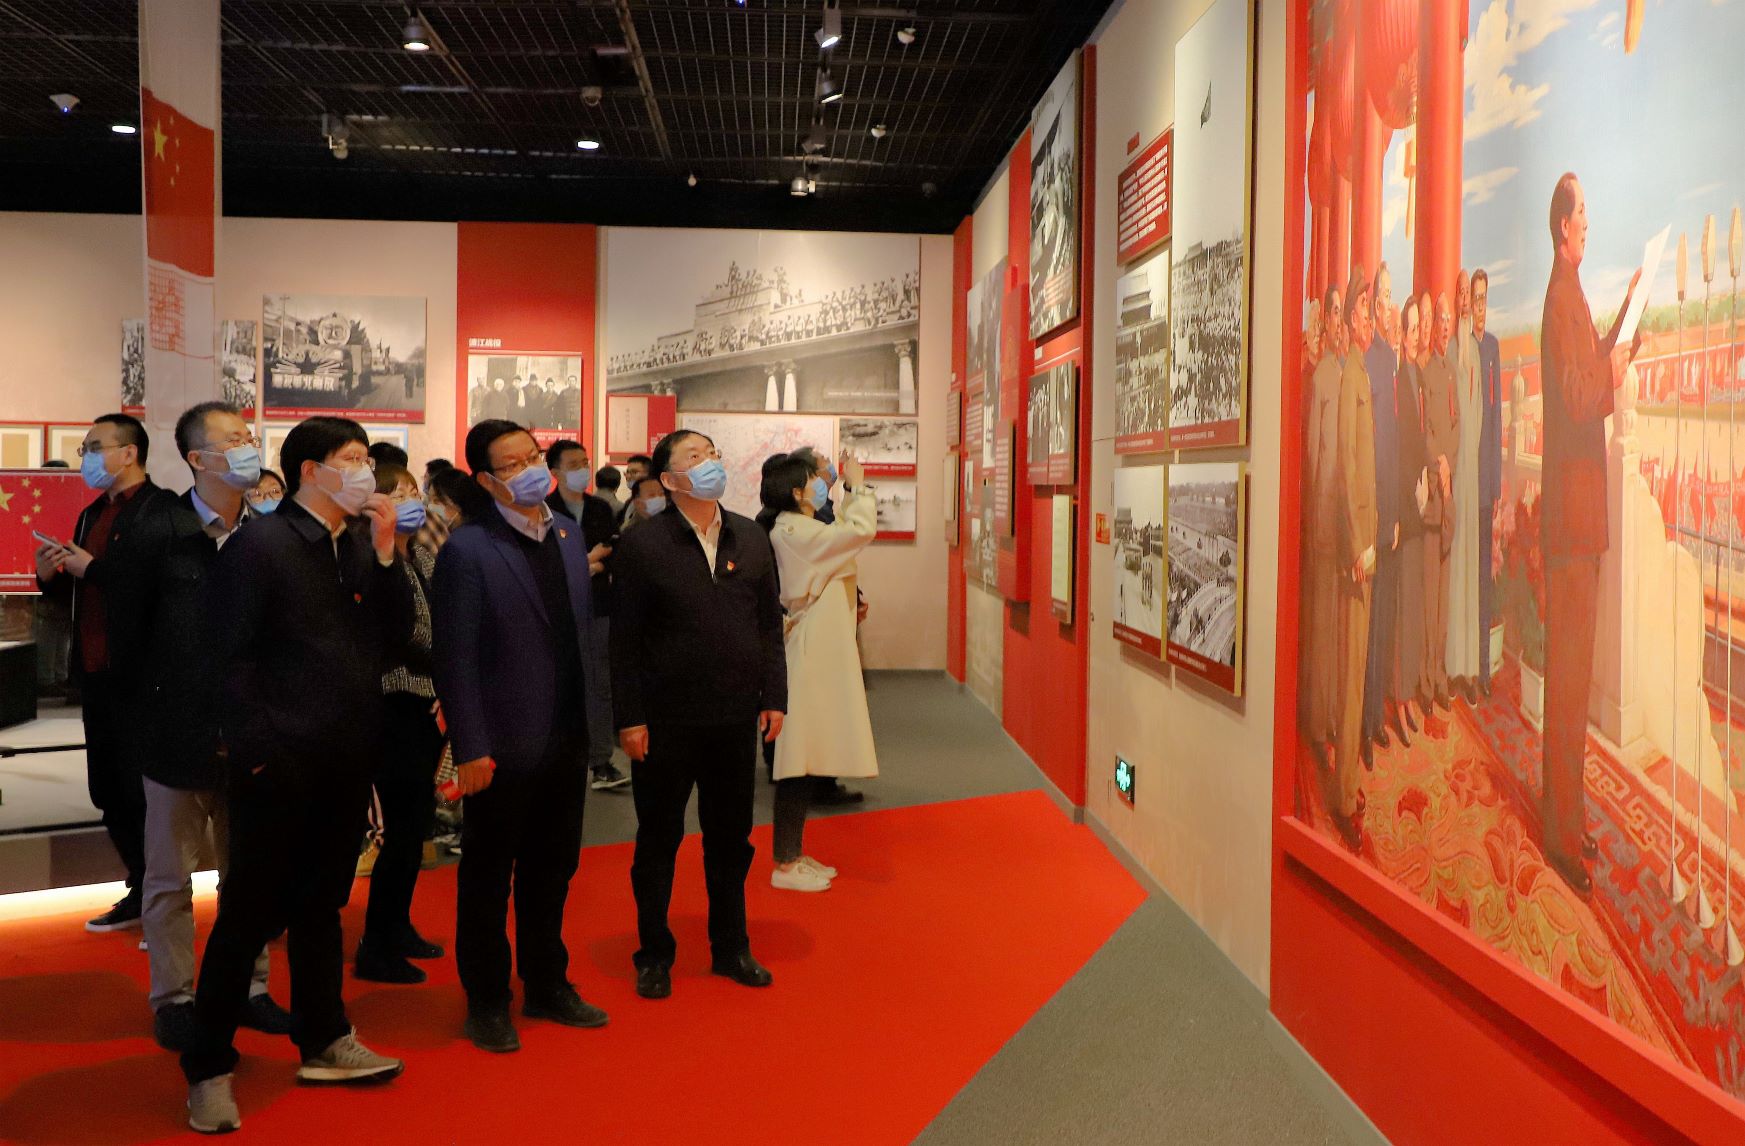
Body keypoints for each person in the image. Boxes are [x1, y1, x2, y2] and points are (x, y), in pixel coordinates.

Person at [178, 416, 410, 1134]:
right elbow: (226, 659)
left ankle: (324, 1037)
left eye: (366, 458)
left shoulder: (354, 545)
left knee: (321, 906)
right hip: (277, 762)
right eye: (352, 458)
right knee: (248, 916)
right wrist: (255, 752)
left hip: (344, 758)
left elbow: (394, 638)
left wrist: (386, 554)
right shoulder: (262, 545)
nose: (365, 472)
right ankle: (208, 1067)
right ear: (311, 470)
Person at [433, 420, 607, 1053]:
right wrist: (471, 747)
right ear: (486, 480)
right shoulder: (468, 549)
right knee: (488, 876)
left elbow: (579, 636)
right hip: (502, 745)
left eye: (533, 456)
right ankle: (486, 1000)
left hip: (566, 734)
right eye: (511, 465)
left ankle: (547, 983)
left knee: (553, 869)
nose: (530, 469)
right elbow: (455, 659)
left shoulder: (566, 533)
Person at [611, 429, 786, 1000]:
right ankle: (654, 954)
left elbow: (768, 626)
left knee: (731, 840)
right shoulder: (644, 545)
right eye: (694, 456)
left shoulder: (750, 536)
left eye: (712, 453)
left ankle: (731, 946)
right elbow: (624, 641)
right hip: (664, 721)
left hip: (733, 717)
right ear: (668, 479)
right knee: (659, 840)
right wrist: (629, 717)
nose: (710, 463)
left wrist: (774, 696)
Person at [142, 403, 291, 1052]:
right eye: (233, 440)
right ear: (198, 459)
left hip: (254, 736)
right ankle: (174, 998)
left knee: (248, 876)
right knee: (169, 880)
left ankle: (249, 988)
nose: (248, 447)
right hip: (175, 734)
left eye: (250, 437)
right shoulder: (161, 533)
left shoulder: (271, 535)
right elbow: (131, 641)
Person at [32, 413, 176, 932]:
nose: (87, 459)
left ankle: (161, 898)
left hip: (143, 676)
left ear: (129, 453)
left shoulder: (163, 512)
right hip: (96, 673)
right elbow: (83, 591)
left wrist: (91, 568)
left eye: (95, 447)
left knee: (145, 792)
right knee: (108, 790)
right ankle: (141, 886)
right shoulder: (91, 513)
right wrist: (50, 576)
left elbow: (154, 588)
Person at [1539, 172, 1640, 898]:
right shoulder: (1556, 299)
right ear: (1563, 227)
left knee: (1573, 688)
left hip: (1580, 522)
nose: (1588, 225)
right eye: (1583, 216)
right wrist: (1610, 368)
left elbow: (1589, 368)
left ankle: (1567, 823)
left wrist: (1625, 323)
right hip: (1571, 526)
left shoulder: (1571, 294)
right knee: (1569, 687)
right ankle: (1560, 839)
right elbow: (1579, 395)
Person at [758, 453, 878, 892]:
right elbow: (858, 532)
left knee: (806, 756)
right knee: (798, 758)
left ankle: (792, 853)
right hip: (808, 652)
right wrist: (858, 487)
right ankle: (785, 863)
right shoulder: (793, 530)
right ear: (796, 492)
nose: (822, 481)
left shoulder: (803, 527)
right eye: (814, 478)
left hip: (819, 648)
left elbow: (843, 538)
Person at [354, 461, 447, 985]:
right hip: (393, 703)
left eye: (415, 491)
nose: (413, 500)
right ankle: (377, 944)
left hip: (428, 702)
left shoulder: (424, 557)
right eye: (399, 493)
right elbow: (396, 635)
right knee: (399, 829)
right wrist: (443, 665)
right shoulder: (373, 560)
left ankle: (397, 926)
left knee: (416, 828)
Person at [544, 440, 628, 793]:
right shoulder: (544, 509)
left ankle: (601, 760)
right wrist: (587, 561)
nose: (583, 469)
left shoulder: (599, 508)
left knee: (599, 684)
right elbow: (549, 562)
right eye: (574, 464)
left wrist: (594, 564)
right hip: (556, 609)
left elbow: (614, 551)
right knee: (557, 682)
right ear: (555, 471)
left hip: (597, 607)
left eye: (585, 462)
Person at [1333, 269, 1377, 851]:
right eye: (1363, 310)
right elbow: (1344, 465)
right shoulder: (1349, 375)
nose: (1369, 318)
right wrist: (1355, 545)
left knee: (1358, 667)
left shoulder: (1362, 370)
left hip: (1366, 540)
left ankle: (1347, 783)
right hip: (1357, 548)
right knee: (1349, 680)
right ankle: (1342, 799)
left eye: (1369, 309)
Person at [1300, 284, 1344, 764]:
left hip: (1341, 520)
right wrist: (1314, 519)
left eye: (1338, 313)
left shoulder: (1344, 370)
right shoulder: (1321, 377)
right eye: (1330, 313)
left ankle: (1329, 713)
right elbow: (1314, 453)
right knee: (1320, 624)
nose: (1335, 321)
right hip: (1322, 518)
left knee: (1334, 625)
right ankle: (1315, 724)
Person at [1362, 265, 1401, 762]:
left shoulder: (1391, 358)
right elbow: (1370, 450)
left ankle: (1377, 715)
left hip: (1391, 510)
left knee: (1385, 620)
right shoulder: (1368, 358)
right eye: (1382, 296)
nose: (1387, 305)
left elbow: (1393, 443)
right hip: (1371, 510)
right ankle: (1364, 726)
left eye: (1391, 296)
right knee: (1368, 630)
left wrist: (1394, 515)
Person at [1444, 290, 1485, 699]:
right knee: (1454, 571)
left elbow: (1480, 414)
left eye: (1469, 298)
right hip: (1454, 473)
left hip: (1471, 477)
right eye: (1461, 297)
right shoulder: (1450, 351)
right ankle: (1452, 667)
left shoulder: (1474, 349)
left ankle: (1470, 669)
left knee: (1471, 570)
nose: (1466, 305)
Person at [1420, 292, 1458, 716]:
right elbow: (1426, 431)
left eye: (1447, 320)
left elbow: (1456, 426)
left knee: (1444, 599)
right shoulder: (1427, 372)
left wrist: (1452, 465)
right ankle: (1427, 682)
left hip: (1450, 496)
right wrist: (1441, 464)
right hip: (1433, 498)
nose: (1444, 326)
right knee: (1430, 598)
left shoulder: (1451, 373)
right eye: (1439, 320)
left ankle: (1441, 676)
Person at [1473, 270, 1504, 697]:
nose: (1479, 308)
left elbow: (1496, 419)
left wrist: (1495, 485)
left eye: (1483, 300)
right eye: (1474, 300)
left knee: (1483, 582)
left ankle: (1482, 669)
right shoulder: (1464, 347)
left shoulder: (1493, 348)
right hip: (1463, 486)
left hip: (1484, 488)